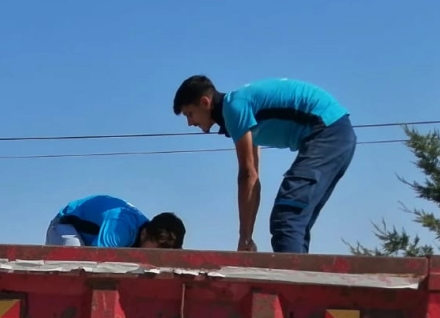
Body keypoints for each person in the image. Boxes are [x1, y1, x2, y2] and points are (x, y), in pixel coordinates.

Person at [172, 76, 355, 253]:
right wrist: (247, 238)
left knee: (286, 218)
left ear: (205, 102)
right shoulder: (241, 111)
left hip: (329, 131)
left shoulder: (234, 107)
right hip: (337, 134)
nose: (189, 123)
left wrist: (244, 239)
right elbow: (253, 178)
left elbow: (247, 175)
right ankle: (301, 278)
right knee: (295, 220)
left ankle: (290, 283)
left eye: (189, 114)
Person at [46, 195, 187, 248]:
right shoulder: (121, 229)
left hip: (94, 234)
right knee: (75, 264)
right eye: (157, 251)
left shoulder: (146, 233)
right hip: (66, 225)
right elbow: (97, 261)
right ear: (144, 234)